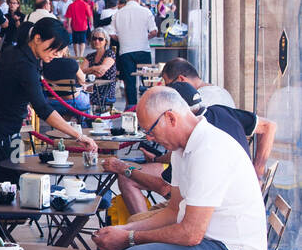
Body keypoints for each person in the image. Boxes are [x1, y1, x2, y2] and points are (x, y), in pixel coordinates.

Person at [93, 86, 267, 250]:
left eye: (150, 132)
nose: (150, 139)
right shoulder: (182, 149)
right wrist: (124, 229)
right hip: (211, 244)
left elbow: (190, 233)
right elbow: (173, 211)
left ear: (171, 118)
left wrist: (130, 237)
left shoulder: (209, 150)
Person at [0, 19, 98, 242]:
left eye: (61, 49)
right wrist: (78, 135)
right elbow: (43, 109)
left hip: (5, 134)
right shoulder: (26, 65)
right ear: (37, 38)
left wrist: (16, 99)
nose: (58, 54)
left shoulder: (13, 52)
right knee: (3, 193)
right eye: (55, 47)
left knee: (7, 186)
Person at [101, 80, 276, 217]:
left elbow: (165, 189)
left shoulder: (202, 145)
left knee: (127, 187)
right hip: (238, 202)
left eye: (151, 131)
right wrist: (258, 170)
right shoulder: (221, 112)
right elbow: (269, 126)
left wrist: (124, 169)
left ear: (173, 115)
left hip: (218, 213)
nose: (149, 136)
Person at [109, 0, 157, 105]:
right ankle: (148, 106)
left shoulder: (117, 13)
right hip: (143, 50)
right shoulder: (146, 12)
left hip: (125, 51)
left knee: (129, 81)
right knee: (147, 81)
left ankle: (131, 107)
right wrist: (145, 37)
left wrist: (122, 39)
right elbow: (154, 31)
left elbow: (112, 34)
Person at [161, 57, 235, 108]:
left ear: (181, 79)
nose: (171, 90)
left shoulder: (197, 101)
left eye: (169, 86)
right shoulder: (221, 91)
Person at [81, 29, 117, 112]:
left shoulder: (110, 54)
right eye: (94, 38)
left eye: (100, 39)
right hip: (90, 87)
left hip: (105, 89)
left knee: (83, 97)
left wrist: (89, 70)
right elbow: (81, 71)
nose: (97, 41)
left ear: (106, 41)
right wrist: (94, 69)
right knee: (77, 95)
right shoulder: (90, 56)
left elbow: (101, 71)